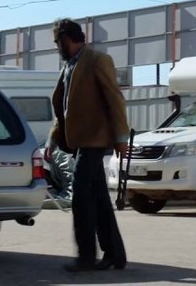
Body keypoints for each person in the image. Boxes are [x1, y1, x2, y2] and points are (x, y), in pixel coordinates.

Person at [46, 18, 130, 272]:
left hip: (95, 139)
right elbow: (64, 109)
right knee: (98, 198)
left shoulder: (97, 60)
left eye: (57, 42)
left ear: (66, 39)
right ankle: (115, 254)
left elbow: (115, 98)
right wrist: (53, 137)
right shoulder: (70, 66)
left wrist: (121, 138)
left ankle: (86, 256)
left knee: (81, 195)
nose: (57, 47)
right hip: (79, 141)